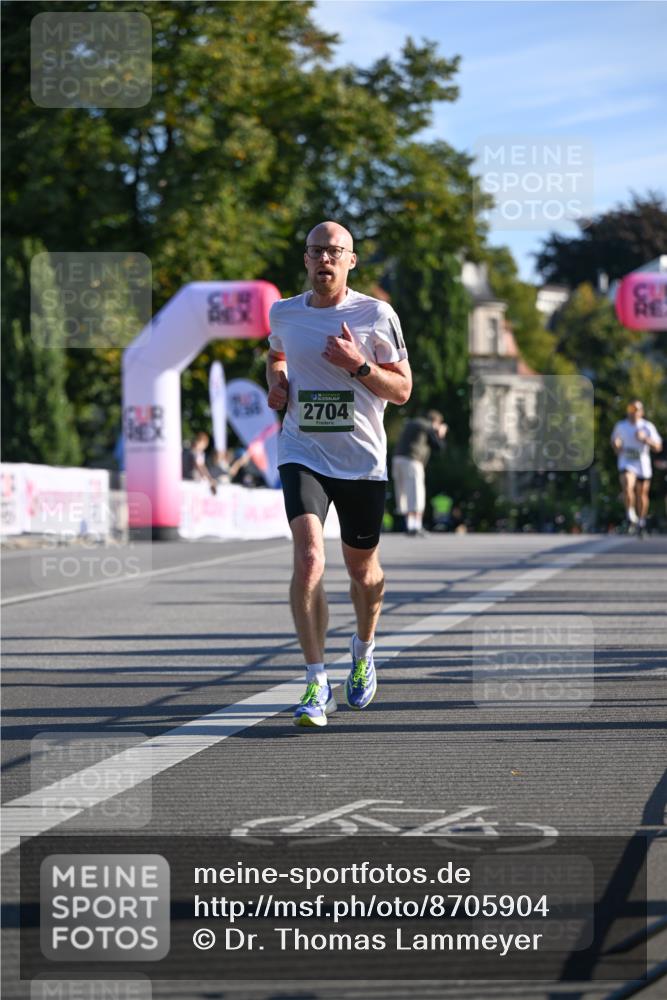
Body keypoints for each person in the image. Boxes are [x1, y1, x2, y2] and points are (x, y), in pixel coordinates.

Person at [266, 220, 411, 728]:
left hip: (361, 461)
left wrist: (358, 366)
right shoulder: (284, 312)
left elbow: (403, 390)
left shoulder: (376, 314)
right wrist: (277, 383)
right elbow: (277, 354)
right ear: (305, 260)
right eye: (315, 251)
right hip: (302, 450)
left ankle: (364, 649)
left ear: (351, 261)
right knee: (308, 560)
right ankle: (314, 681)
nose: (324, 259)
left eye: (335, 252)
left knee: (362, 574)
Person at [392, 411, 448, 536]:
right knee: (416, 493)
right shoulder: (427, 426)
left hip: (397, 459)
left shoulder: (412, 423)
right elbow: (438, 447)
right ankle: (415, 526)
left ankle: (408, 525)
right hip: (412, 461)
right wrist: (441, 434)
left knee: (404, 493)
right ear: (436, 422)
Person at [611, 400, 662, 536]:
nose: (633, 412)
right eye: (630, 409)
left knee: (642, 494)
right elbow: (615, 442)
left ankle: (641, 521)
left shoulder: (647, 427)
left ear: (641, 412)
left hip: (642, 464)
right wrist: (616, 444)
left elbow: (658, 447)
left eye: (636, 410)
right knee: (627, 485)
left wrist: (645, 439)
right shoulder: (621, 426)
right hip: (626, 461)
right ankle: (630, 515)